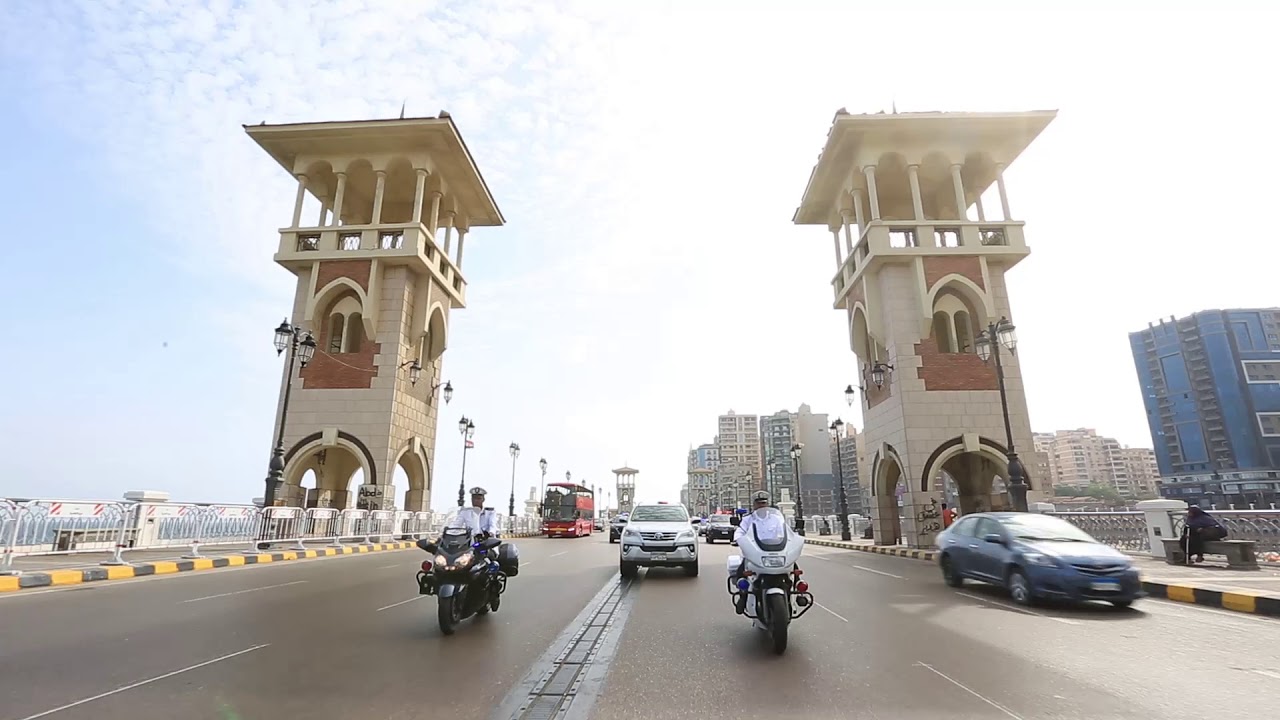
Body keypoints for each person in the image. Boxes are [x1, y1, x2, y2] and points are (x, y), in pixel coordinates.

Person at [732, 491, 790, 614]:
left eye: (764, 503)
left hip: (777, 551)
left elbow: (786, 531)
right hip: (756, 553)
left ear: (767, 504)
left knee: (793, 569)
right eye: (759, 503)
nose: (761, 506)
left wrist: (792, 538)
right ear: (754, 505)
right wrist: (738, 539)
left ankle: (795, 593)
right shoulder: (748, 519)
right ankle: (743, 596)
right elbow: (740, 531)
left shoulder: (777, 518)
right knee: (741, 572)